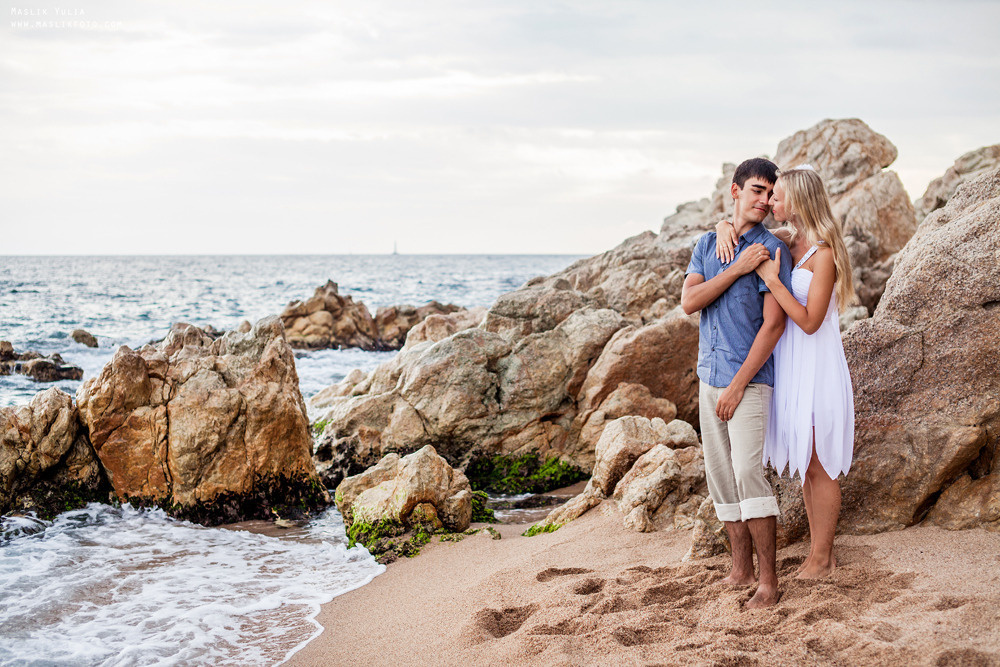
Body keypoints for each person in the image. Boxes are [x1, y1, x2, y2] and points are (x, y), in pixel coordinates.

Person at [715, 166, 856, 579]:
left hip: (817, 362)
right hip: (793, 364)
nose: (770, 202)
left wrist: (774, 283)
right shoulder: (788, 242)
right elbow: (743, 228)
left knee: (820, 463)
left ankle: (823, 556)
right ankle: (819, 552)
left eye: (778, 196)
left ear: (798, 200)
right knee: (807, 463)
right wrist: (725, 224)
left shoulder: (824, 252)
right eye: (768, 195)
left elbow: (811, 321)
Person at [681, 157, 793, 609]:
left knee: (749, 474)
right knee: (722, 479)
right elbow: (690, 301)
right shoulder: (709, 245)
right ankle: (740, 570)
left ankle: (768, 582)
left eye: (770, 193)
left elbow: (774, 328)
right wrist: (736, 267)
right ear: (734, 191)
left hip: (748, 383)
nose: (764, 200)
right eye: (756, 191)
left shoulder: (771, 250)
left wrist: (737, 387)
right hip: (709, 377)